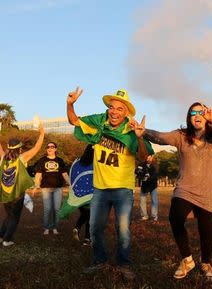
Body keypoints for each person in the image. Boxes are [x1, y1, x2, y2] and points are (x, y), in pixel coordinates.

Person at [135, 102, 212, 279]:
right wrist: (144, 132)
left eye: (201, 112)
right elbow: (161, 137)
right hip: (185, 188)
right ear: (189, 117)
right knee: (175, 217)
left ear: (206, 116)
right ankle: (187, 259)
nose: (197, 115)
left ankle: (206, 262)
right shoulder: (181, 136)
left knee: (206, 230)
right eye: (193, 112)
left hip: (207, 193)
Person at [66, 86, 151, 280]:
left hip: (122, 189)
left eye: (120, 109)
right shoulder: (99, 123)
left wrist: (138, 138)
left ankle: (124, 264)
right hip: (100, 188)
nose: (114, 111)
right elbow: (74, 121)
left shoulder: (131, 131)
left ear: (126, 113)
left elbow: (144, 156)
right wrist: (70, 104)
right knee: (95, 228)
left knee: (123, 230)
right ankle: (99, 260)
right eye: (112, 107)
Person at [0, 124, 45, 247]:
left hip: (5, 194)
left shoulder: (3, 158)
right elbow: (37, 148)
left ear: (9, 148)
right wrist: (42, 133)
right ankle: (7, 240)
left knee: (9, 215)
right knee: (14, 218)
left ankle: (0, 237)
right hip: (17, 194)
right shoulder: (22, 158)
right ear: (19, 149)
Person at [34, 142, 70, 235]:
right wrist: (36, 186)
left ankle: (54, 227)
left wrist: (71, 185)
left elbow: (65, 174)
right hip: (46, 188)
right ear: (46, 149)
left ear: (55, 149)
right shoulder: (42, 160)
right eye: (48, 147)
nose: (50, 148)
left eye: (52, 147)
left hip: (58, 188)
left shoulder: (60, 160)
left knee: (57, 209)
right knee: (48, 209)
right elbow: (38, 174)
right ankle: (46, 227)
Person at [138, 155, 159, 222]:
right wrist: (139, 173)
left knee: (154, 201)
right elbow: (138, 172)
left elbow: (155, 175)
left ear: (152, 157)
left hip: (153, 185)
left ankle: (154, 216)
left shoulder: (155, 165)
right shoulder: (141, 164)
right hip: (144, 185)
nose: (148, 159)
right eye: (147, 157)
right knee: (142, 201)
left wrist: (147, 177)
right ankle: (144, 216)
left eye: (150, 157)